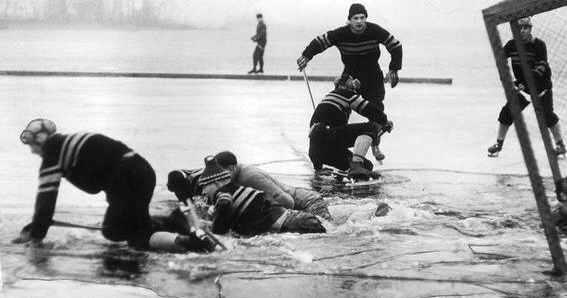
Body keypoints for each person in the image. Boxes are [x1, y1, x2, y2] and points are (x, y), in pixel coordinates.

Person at [13, 118, 216, 253]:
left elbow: (45, 201)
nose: (32, 151)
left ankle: (187, 244)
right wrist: (41, 222)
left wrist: (36, 237)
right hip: (142, 170)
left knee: (135, 237)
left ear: (40, 140)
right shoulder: (69, 141)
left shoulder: (52, 155)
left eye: (31, 145)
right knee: (117, 228)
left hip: (125, 179)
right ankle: (174, 221)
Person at [166, 151, 332, 221]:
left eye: (223, 175)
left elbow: (287, 201)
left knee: (329, 233)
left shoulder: (249, 176)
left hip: (308, 203)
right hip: (300, 202)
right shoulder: (219, 175)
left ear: (232, 169)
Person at [297, 3, 402, 111]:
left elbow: (395, 46)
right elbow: (319, 42)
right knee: (339, 105)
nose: (359, 21)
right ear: (350, 20)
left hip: (372, 74)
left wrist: (393, 69)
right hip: (350, 74)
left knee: (376, 108)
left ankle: (377, 127)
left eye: (362, 18)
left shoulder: (375, 30)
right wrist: (306, 56)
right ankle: (335, 127)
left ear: (366, 18)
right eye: (355, 18)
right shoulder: (341, 34)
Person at [187, 156, 326, 236]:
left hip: (302, 213)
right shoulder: (233, 188)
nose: (203, 191)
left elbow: (224, 206)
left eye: (205, 186)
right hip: (299, 219)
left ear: (217, 182)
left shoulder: (230, 190)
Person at [487, 17, 566, 157]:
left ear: (530, 29)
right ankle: (499, 144)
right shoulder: (511, 45)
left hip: (541, 87)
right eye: (519, 28)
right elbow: (500, 60)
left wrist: (525, 84)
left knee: (548, 116)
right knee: (506, 113)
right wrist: (506, 81)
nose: (522, 31)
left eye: (525, 28)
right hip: (522, 86)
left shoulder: (539, 45)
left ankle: (560, 145)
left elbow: (541, 69)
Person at [308, 74, 393, 180]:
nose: (354, 89)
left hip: (318, 152)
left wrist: (318, 167)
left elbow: (316, 136)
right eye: (351, 84)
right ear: (342, 86)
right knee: (370, 128)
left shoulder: (329, 100)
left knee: (367, 166)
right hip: (327, 137)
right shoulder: (343, 94)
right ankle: (356, 166)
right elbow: (369, 109)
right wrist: (384, 121)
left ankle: (354, 169)